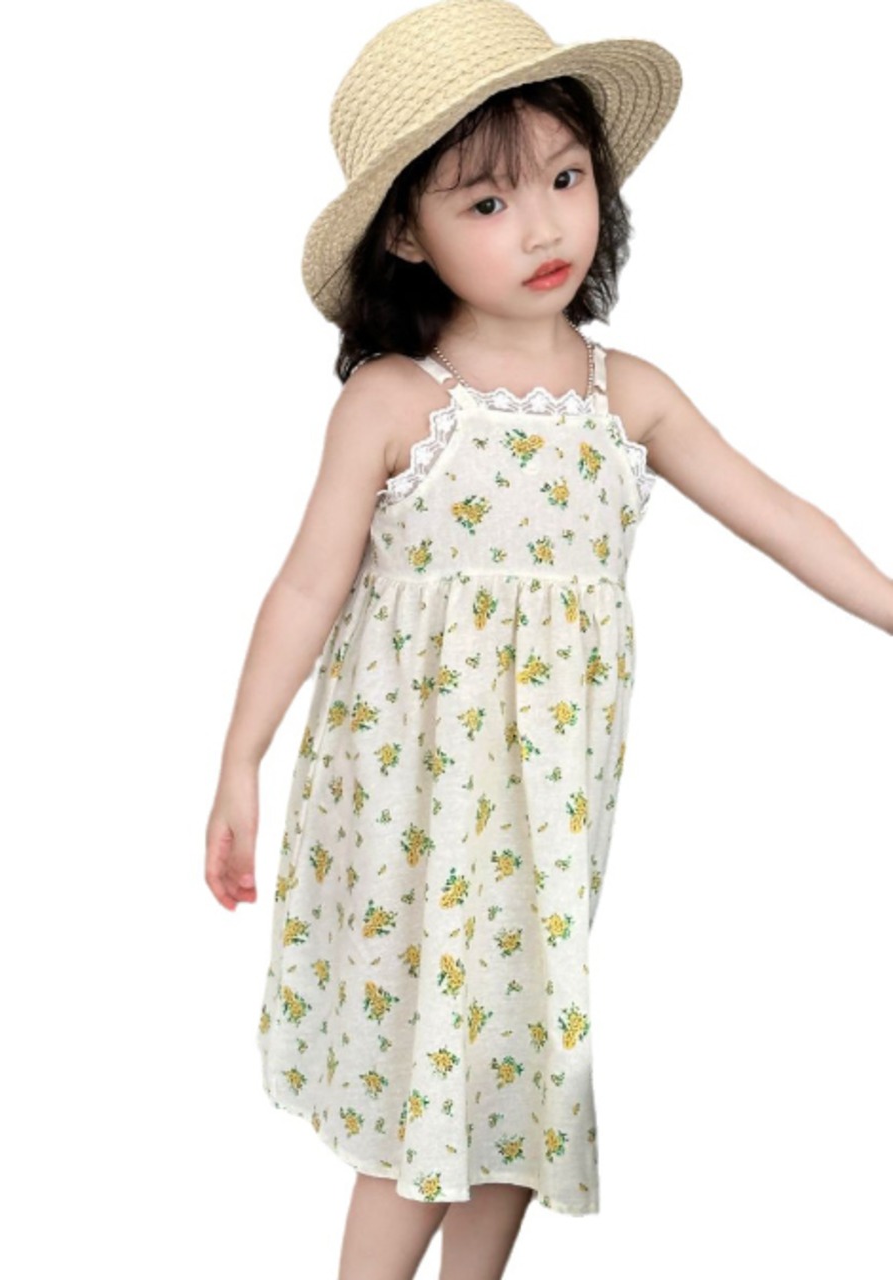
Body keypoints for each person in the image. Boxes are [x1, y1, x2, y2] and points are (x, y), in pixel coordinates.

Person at [204, 2, 893, 1277]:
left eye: (565, 180)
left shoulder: (627, 398)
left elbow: (781, 515)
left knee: (523, 1049)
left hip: (549, 809)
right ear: (403, 233)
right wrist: (237, 758)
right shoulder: (394, 403)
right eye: (485, 201)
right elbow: (304, 586)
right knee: (424, 1062)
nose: (541, 228)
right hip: (411, 805)